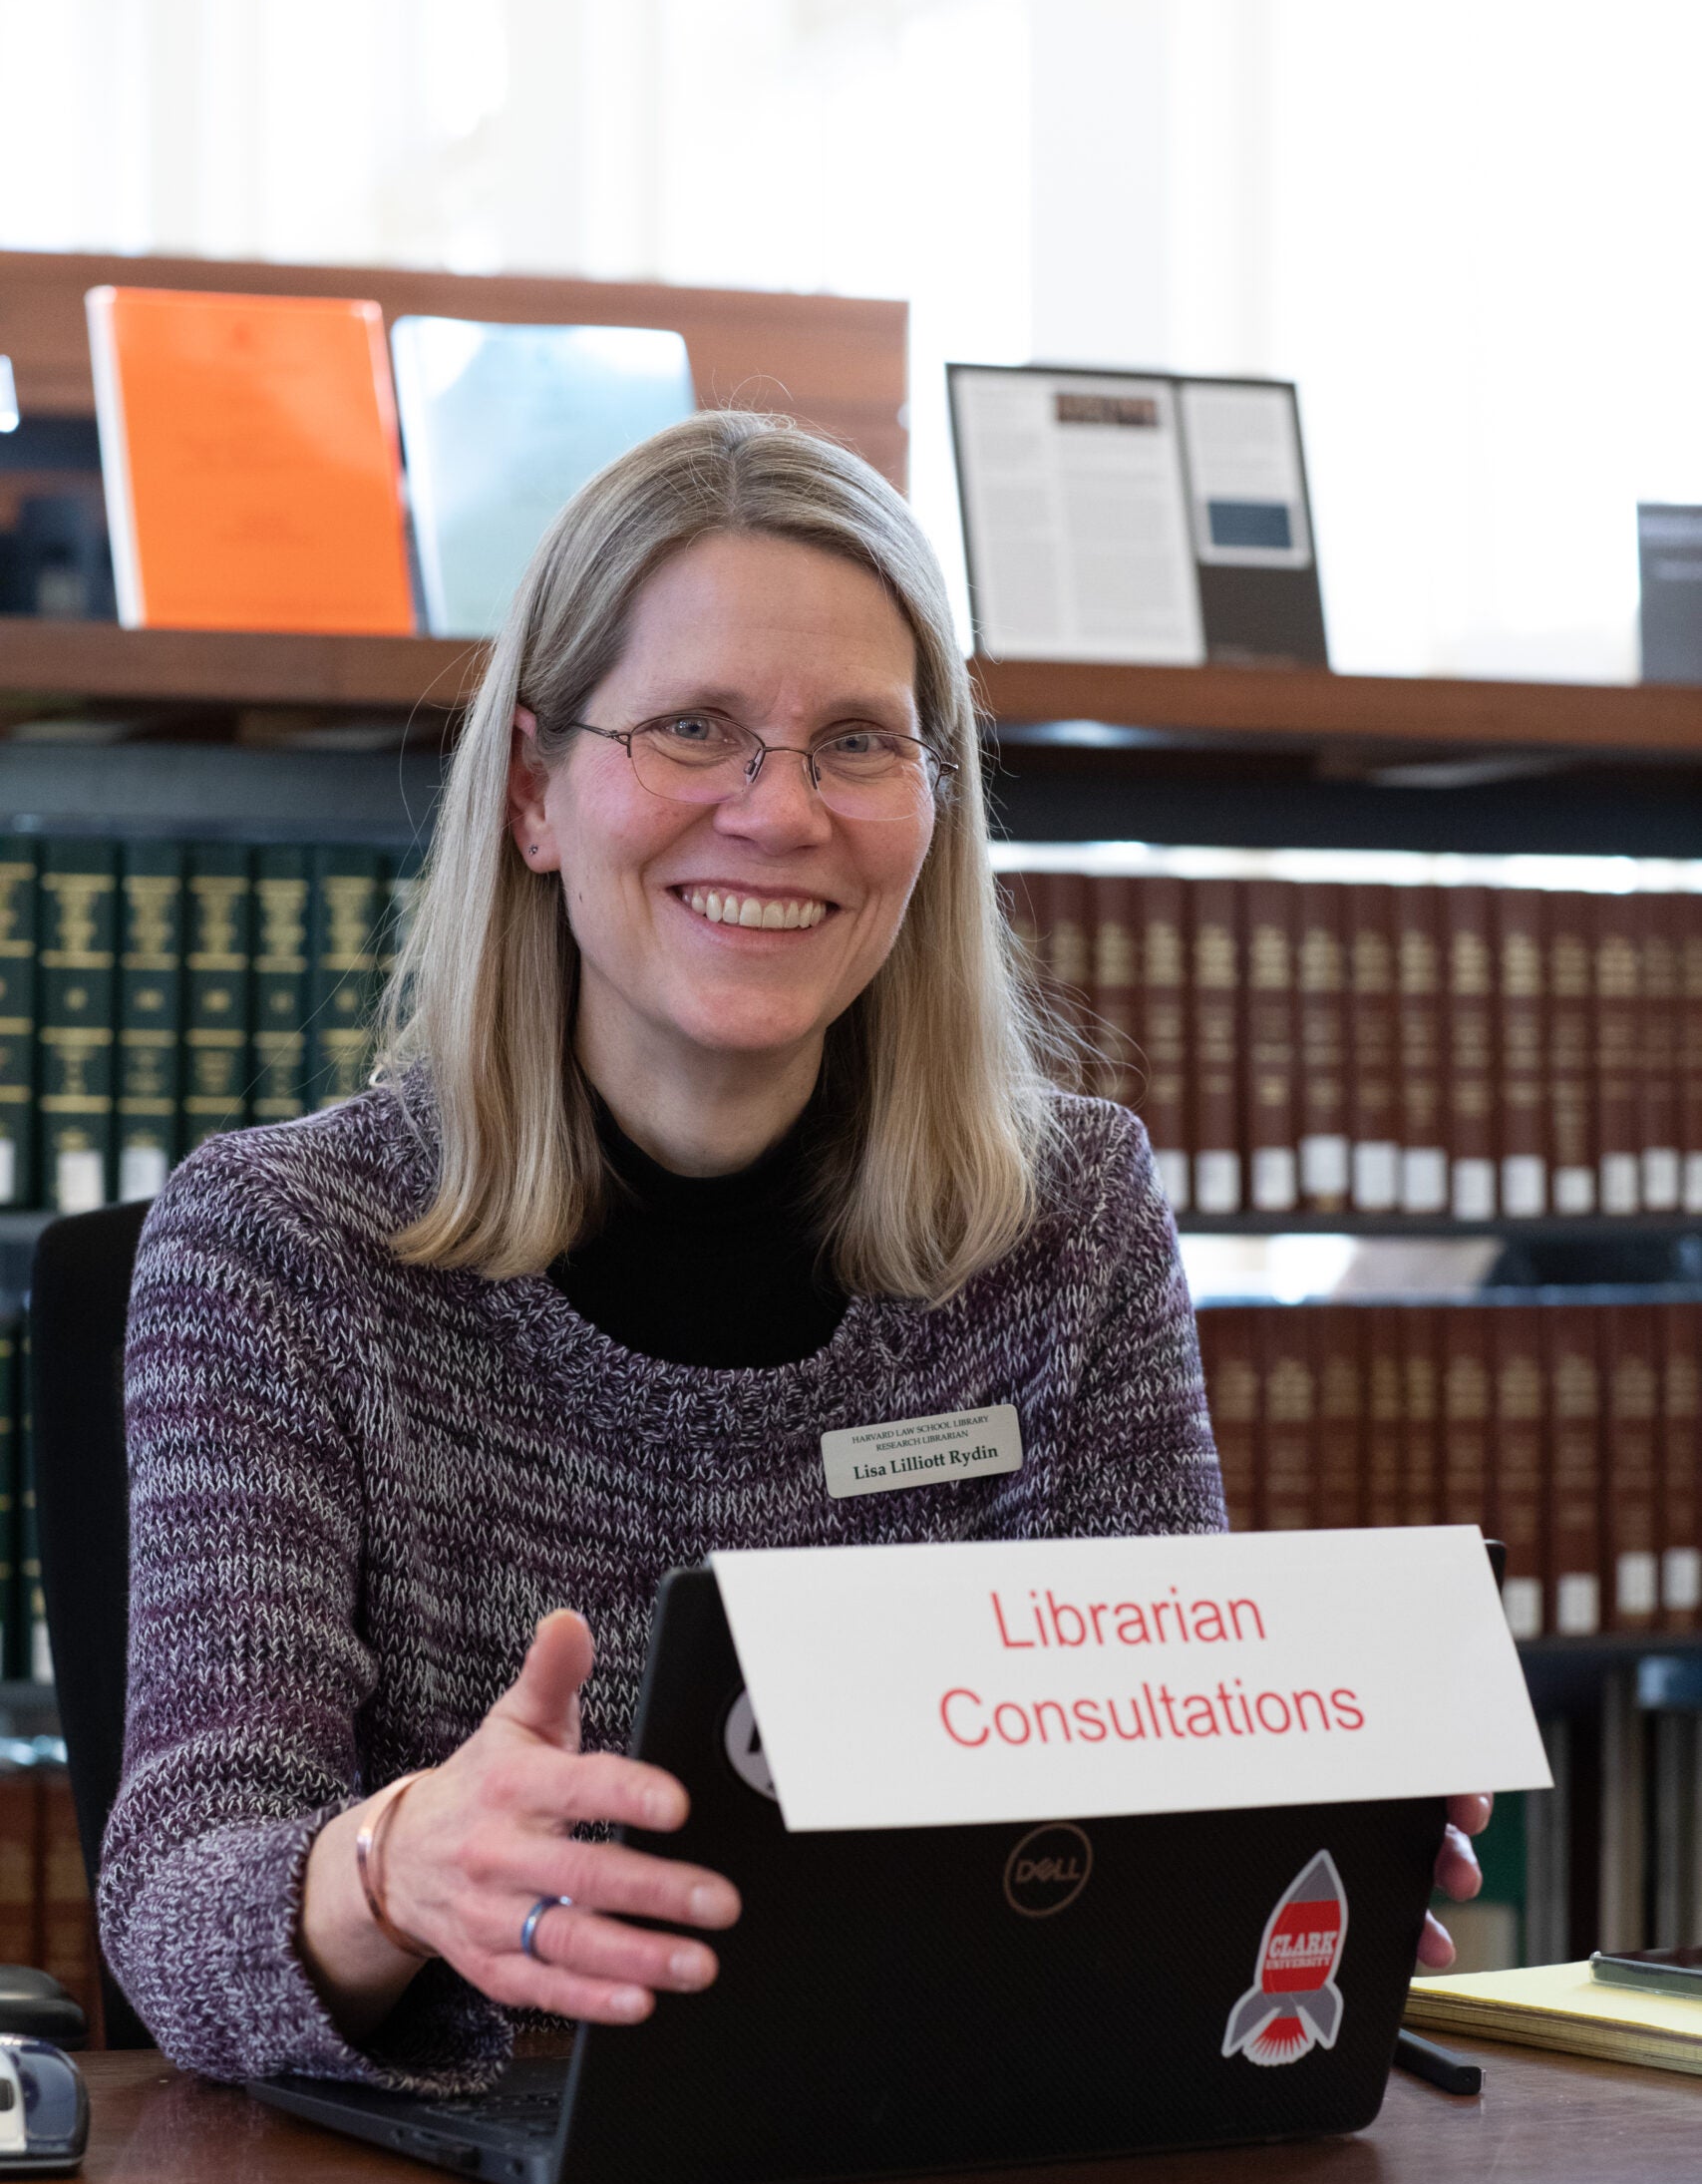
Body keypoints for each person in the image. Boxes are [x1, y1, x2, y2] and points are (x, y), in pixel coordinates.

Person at [99, 412, 1488, 2091]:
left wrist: (1272, 1836)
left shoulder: (1069, 1221)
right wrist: (396, 1869)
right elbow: (177, 1900)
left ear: (933, 805)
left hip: (942, 2171)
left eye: (857, 742)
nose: (778, 813)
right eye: (695, 729)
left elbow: (1139, 1789)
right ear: (534, 792)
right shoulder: (282, 1247)